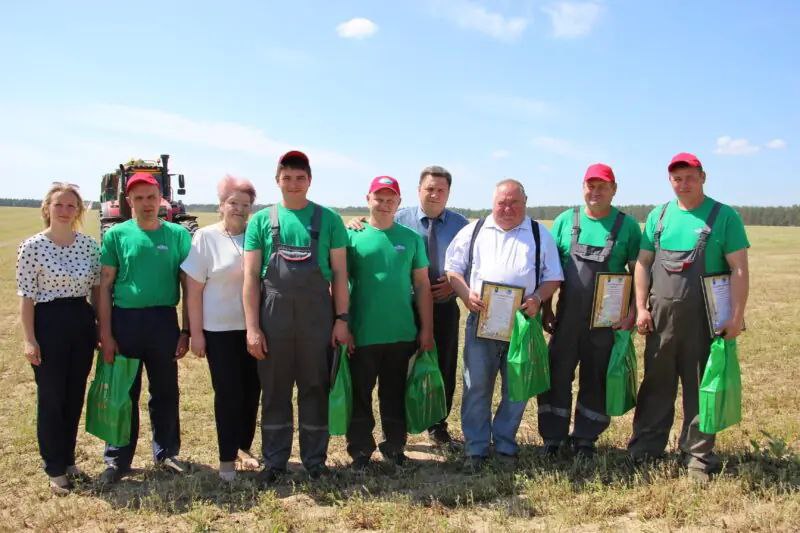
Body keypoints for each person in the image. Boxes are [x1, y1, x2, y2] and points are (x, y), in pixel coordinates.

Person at [628, 152, 749, 482]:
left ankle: (697, 457)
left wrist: (736, 317)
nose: (684, 184)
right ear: (670, 181)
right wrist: (641, 307)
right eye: (677, 178)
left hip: (704, 319)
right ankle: (645, 449)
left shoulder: (723, 216)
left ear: (703, 177)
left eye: (690, 177)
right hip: (661, 318)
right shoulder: (660, 216)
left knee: (699, 386)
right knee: (655, 384)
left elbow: (739, 268)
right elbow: (642, 263)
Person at [243, 150, 351, 484]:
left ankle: (315, 462)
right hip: (273, 316)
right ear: (277, 181)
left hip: (317, 316)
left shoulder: (329, 219)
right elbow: (250, 278)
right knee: (274, 390)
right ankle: (274, 462)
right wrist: (252, 328)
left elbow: (339, 272)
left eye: (300, 178)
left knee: (315, 387)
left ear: (309, 181)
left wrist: (342, 319)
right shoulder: (261, 220)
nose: (293, 184)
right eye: (287, 178)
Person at [445, 179, 563, 473]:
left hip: (522, 324)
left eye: (515, 203)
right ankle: (476, 447)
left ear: (525, 203)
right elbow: (453, 269)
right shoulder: (474, 230)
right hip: (481, 322)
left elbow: (554, 277)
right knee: (476, 387)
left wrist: (538, 298)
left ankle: (505, 443)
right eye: (502, 202)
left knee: (517, 388)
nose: (508, 208)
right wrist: (464, 294)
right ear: (492, 202)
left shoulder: (538, 233)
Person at [347, 165, 468, 447]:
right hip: (399, 306)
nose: (435, 193)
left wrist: (455, 285)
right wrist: (354, 221)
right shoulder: (399, 218)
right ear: (418, 191)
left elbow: (473, 262)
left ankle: (436, 423)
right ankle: (373, 440)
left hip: (443, 303)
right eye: (429, 188)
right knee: (389, 378)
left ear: (448, 193)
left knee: (441, 366)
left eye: (441, 189)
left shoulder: (462, 225)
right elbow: (375, 228)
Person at [538, 164, 642, 457]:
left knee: (596, 378)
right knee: (556, 374)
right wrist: (547, 309)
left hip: (607, 321)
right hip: (566, 317)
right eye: (590, 185)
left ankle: (585, 438)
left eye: (602, 186)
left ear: (614, 189)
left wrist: (633, 311)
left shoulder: (628, 227)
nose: (595, 192)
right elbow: (550, 270)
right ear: (582, 187)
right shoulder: (564, 221)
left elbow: (639, 274)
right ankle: (553, 438)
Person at [97, 172, 193, 484]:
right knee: (124, 392)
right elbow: (105, 286)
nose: (146, 204)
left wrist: (186, 331)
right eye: (138, 198)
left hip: (164, 322)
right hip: (125, 321)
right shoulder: (116, 236)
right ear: (129, 202)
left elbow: (189, 287)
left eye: (151, 197)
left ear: (161, 199)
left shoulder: (178, 236)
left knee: (165, 392)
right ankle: (117, 459)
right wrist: (106, 334)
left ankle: (166, 453)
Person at [16, 182, 100, 495]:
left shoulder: (89, 246)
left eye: (71, 206)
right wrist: (29, 339)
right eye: (59, 205)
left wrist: (99, 328)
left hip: (81, 321)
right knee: (51, 397)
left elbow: (95, 290)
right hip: (48, 322)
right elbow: (26, 297)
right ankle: (54, 468)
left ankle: (69, 460)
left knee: (74, 394)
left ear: (78, 211)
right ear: (47, 209)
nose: (65, 211)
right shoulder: (33, 246)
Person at [345, 175, 434, 469]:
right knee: (360, 395)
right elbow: (340, 283)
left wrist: (427, 329)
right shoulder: (352, 236)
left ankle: (395, 446)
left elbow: (421, 285)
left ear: (399, 202)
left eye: (390, 199)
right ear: (367, 199)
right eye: (378, 198)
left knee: (394, 394)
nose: (384, 204)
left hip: (402, 333)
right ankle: (360, 450)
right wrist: (343, 325)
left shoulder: (410, 239)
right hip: (363, 332)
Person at [182, 175, 260, 482]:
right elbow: (193, 290)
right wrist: (196, 333)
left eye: (245, 204)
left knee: (253, 392)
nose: (239, 209)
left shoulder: (257, 235)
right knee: (228, 395)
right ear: (221, 206)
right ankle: (226, 462)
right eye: (233, 203)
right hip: (219, 332)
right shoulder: (206, 238)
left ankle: (243, 448)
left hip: (254, 330)